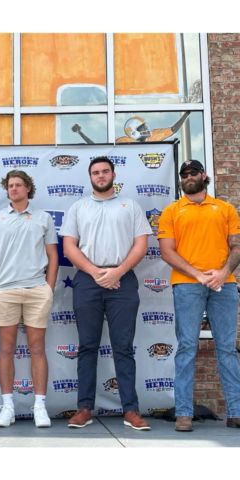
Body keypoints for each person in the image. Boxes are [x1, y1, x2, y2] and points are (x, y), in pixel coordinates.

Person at [60, 156, 152, 431]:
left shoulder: (130, 206)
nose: (100, 176)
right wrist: (98, 273)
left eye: (104, 171)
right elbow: (69, 247)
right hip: (88, 281)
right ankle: (84, 408)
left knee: (123, 347)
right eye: (95, 173)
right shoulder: (78, 208)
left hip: (122, 280)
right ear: (90, 177)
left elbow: (140, 245)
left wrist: (117, 272)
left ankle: (131, 411)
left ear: (113, 174)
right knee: (87, 346)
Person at [158, 159, 240, 432]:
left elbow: (236, 247)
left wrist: (222, 271)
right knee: (186, 347)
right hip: (187, 285)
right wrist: (198, 274)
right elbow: (167, 251)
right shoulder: (172, 211)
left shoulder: (225, 208)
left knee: (227, 348)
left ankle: (236, 411)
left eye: (194, 172)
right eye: (184, 174)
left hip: (224, 284)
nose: (189, 177)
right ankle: (184, 414)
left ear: (204, 175)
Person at [0, 170, 58, 428]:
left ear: (28, 188)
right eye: (10, 185)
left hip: (37, 289)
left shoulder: (43, 218)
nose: (13, 189)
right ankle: (7, 406)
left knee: (37, 348)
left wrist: (49, 287)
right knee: (6, 349)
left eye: (18, 185)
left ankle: (40, 406)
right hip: (5, 290)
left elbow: (53, 255)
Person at [71, 112, 190, 144]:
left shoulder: (153, 136)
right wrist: (81, 133)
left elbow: (173, 129)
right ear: (134, 132)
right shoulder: (124, 142)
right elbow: (100, 149)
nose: (147, 129)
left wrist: (187, 113)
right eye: (142, 127)